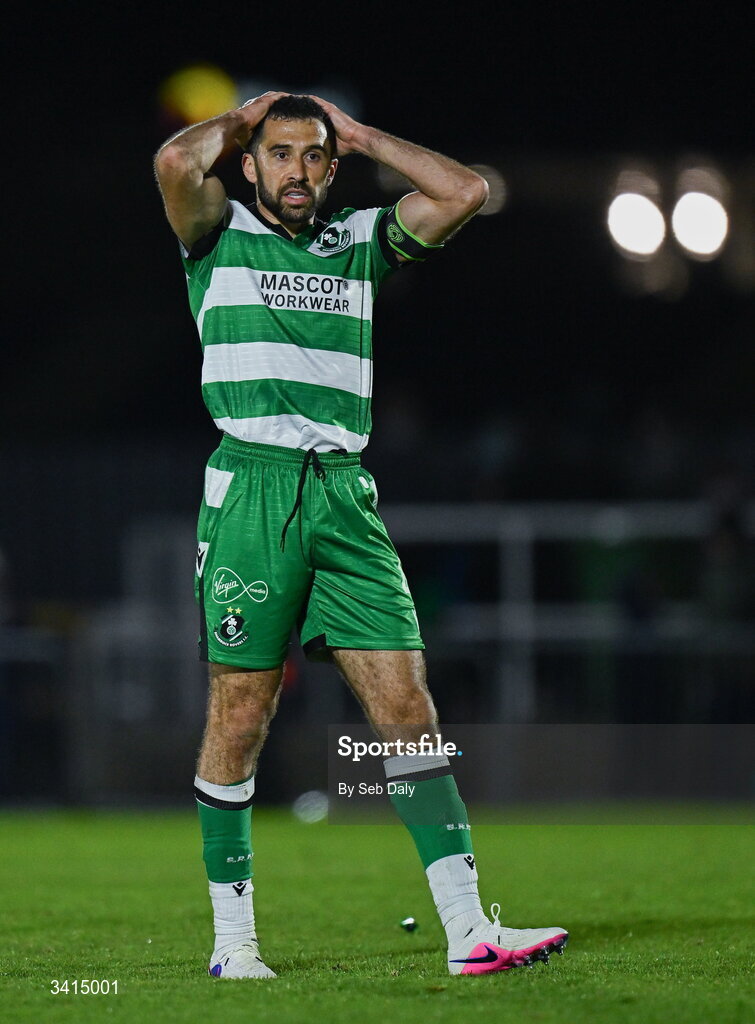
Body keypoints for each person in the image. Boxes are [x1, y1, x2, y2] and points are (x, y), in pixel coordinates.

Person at [154, 91, 568, 979]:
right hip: (252, 494)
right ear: (250, 164)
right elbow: (171, 165)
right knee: (241, 709)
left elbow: (463, 193)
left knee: (407, 709)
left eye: (313, 155)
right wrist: (238, 117)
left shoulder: (360, 242)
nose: (296, 170)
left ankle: (469, 935)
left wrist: (369, 136)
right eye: (278, 154)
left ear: (332, 167)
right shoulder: (214, 231)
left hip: (345, 495)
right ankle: (234, 946)